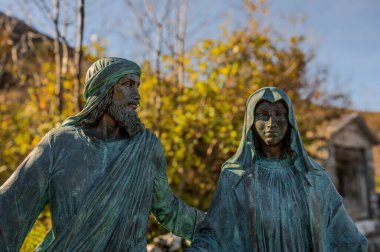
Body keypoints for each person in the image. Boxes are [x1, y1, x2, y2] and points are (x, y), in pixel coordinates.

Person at [0, 57, 204, 251]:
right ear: (104, 89)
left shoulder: (146, 148)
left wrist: (219, 221)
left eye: (137, 86)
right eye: (128, 84)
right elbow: (10, 208)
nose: (137, 97)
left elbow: (169, 211)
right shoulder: (59, 143)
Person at [188, 87, 367, 252]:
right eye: (263, 114)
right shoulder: (236, 178)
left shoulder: (314, 178)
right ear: (251, 121)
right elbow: (214, 234)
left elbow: (349, 241)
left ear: (290, 121)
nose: (271, 123)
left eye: (279, 114)